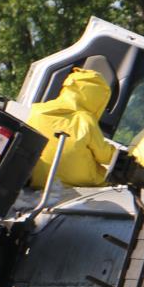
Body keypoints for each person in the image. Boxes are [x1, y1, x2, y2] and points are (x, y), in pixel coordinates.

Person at [25, 56, 119, 188]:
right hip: (80, 185)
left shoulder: (37, 110)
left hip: (38, 181)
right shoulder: (86, 120)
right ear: (98, 99)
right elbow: (106, 157)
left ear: (68, 87)